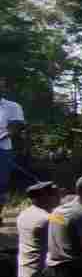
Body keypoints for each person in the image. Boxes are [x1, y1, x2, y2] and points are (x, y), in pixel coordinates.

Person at [15, 182, 60, 277]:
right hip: (42, 274)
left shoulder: (23, 214)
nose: (58, 198)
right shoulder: (49, 218)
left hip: (26, 272)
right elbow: (72, 237)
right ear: (44, 197)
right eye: (55, 195)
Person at [0, 78, 27, 226]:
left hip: (2, 149)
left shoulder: (12, 106)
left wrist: (2, 137)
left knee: (1, 184)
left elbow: (16, 127)